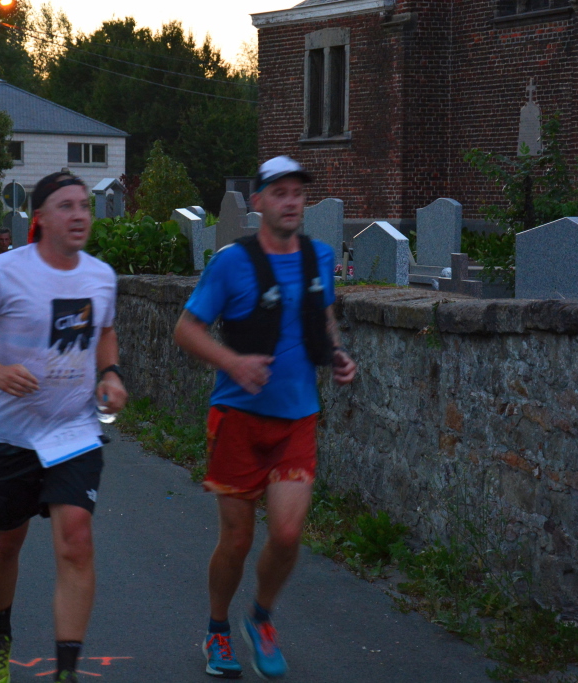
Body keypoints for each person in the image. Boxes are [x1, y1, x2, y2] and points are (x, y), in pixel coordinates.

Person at [174, 156, 357, 680]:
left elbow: (322, 315)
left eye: (298, 192)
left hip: (297, 419)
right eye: (280, 192)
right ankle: (217, 628)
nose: (291, 201)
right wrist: (232, 363)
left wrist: (337, 353)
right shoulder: (231, 263)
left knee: (289, 533)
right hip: (237, 417)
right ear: (258, 202)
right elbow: (186, 329)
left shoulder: (319, 257)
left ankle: (261, 617)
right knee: (236, 540)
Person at [0, 171, 127, 683]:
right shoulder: (4, 272)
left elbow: (105, 330)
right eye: (66, 206)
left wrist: (110, 373)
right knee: (5, 544)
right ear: (40, 218)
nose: (80, 215)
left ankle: (66, 672)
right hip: (8, 435)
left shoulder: (100, 276)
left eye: (84, 205)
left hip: (73, 432)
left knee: (76, 540)